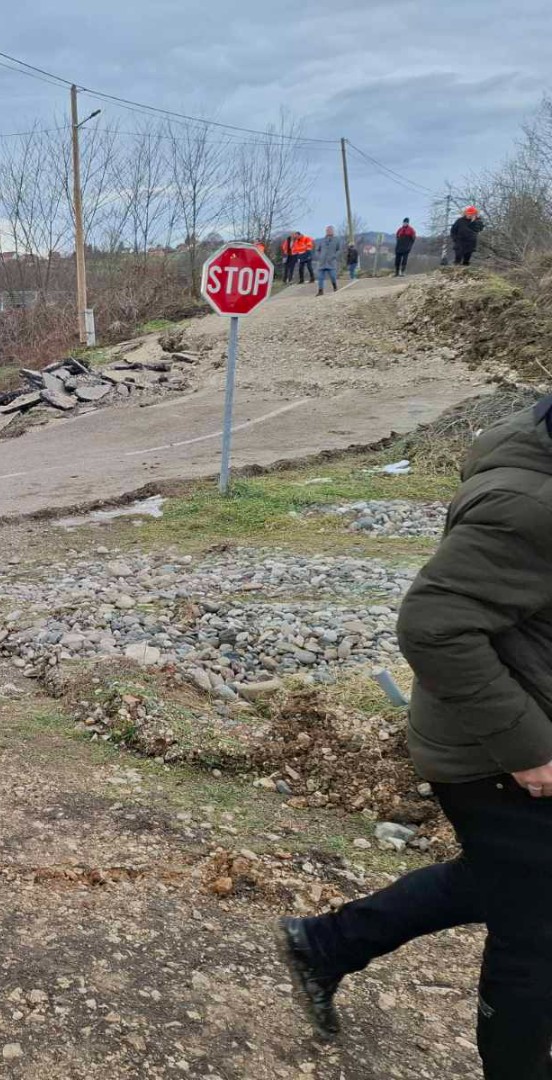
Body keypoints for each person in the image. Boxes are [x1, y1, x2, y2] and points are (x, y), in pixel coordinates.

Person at [277, 395, 552, 1077]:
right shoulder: (532, 506)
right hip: (494, 753)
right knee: (535, 934)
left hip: (513, 731)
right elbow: (432, 624)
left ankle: (326, 943)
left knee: (507, 881)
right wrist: (531, 750)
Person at [313, 226, 344, 296]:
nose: (328, 231)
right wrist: (319, 256)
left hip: (331, 262)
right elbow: (317, 250)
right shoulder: (322, 240)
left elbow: (339, 250)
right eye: (327, 230)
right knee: (320, 277)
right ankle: (320, 290)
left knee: (333, 276)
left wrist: (335, 256)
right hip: (322, 262)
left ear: (333, 231)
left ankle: (335, 286)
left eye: (330, 230)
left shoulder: (337, 240)